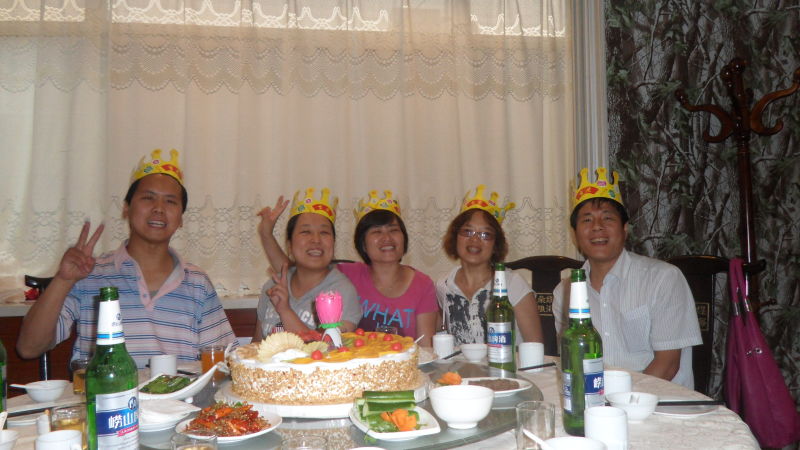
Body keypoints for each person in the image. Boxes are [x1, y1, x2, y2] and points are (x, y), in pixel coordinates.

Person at [16, 149, 238, 368]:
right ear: (126, 208)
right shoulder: (89, 273)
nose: (159, 209)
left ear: (181, 219)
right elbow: (29, 348)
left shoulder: (197, 282)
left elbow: (225, 362)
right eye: (148, 198)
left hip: (180, 393)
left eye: (170, 202)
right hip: (104, 391)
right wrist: (63, 280)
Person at [552, 168, 702, 388]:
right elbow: (572, 359)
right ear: (575, 234)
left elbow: (668, 365)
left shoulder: (664, 279)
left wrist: (619, 400)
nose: (597, 227)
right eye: (587, 220)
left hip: (658, 400)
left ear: (625, 229)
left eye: (607, 218)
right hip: (595, 400)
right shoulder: (565, 292)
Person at [258, 190, 438, 347]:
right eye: (376, 232)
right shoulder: (350, 274)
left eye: (393, 230)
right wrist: (266, 234)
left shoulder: (422, 285)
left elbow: (426, 348)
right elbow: (298, 269)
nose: (387, 238)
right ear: (363, 243)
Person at [437, 185, 544, 345]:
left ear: (495, 244)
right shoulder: (443, 286)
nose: (475, 239)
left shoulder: (513, 285)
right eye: (467, 231)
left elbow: (535, 346)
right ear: (455, 237)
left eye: (485, 234)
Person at [253, 188, 361, 342]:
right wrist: (265, 233)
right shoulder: (274, 285)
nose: (316, 240)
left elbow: (327, 350)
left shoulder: (341, 292)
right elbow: (256, 346)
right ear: (290, 244)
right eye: (305, 232)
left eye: (324, 232)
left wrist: (285, 310)